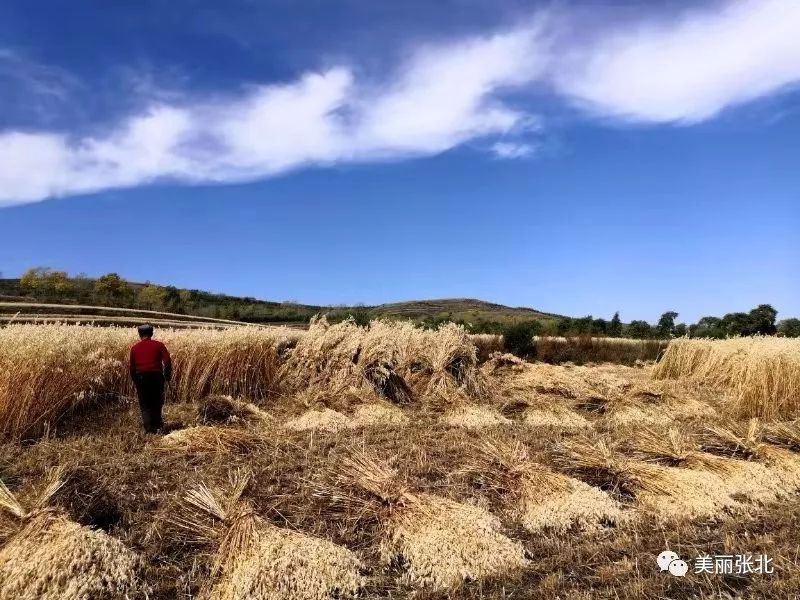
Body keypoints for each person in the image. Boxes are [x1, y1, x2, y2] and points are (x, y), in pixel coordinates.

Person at [129, 324, 172, 433]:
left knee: (144, 404)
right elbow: (167, 361)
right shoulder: (159, 345)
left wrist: (135, 380)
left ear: (139, 334)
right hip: (156, 377)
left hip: (141, 378)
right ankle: (158, 426)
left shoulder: (134, 348)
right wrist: (167, 375)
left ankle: (149, 429)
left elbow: (132, 367)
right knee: (156, 402)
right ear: (151, 333)